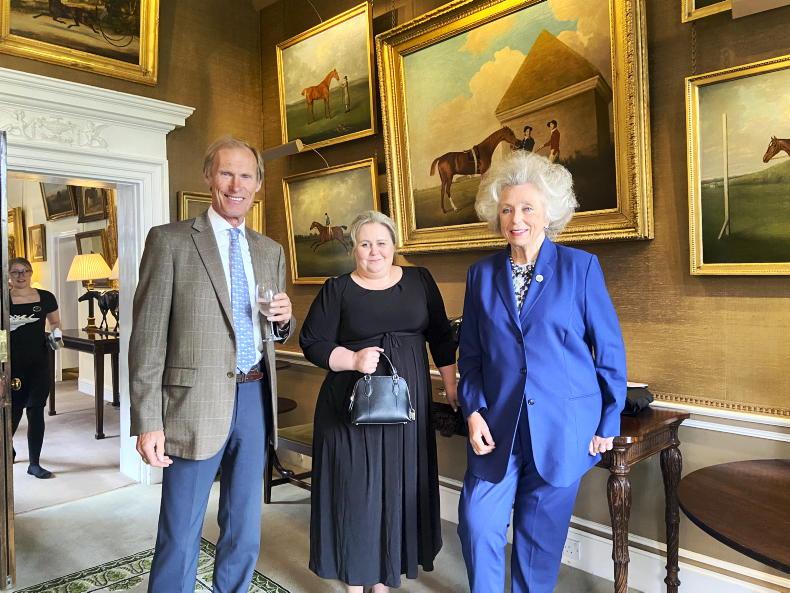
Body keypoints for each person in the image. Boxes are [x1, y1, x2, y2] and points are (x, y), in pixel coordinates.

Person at [129, 136, 294, 593]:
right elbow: (147, 339)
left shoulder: (270, 250)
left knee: (244, 526)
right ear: (208, 177)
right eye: (226, 173)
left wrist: (283, 322)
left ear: (258, 184)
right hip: (192, 404)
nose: (236, 185)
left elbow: (272, 329)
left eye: (246, 176)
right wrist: (148, 420)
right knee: (180, 530)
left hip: (254, 397)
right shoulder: (170, 241)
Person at [456, 151, 626, 593]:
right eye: (507, 209)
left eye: (528, 208)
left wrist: (609, 420)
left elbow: (608, 349)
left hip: (562, 426)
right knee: (477, 524)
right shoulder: (480, 275)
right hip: (497, 425)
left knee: (538, 547)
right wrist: (472, 411)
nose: (516, 219)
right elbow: (470, 355)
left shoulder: (580, 268)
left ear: (549, 214)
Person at [300, 211, 458, 593]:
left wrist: (451, 386)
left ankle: (385, 576)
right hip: (350, 406)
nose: (374, 252)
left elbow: (441, 336)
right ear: (353, 248)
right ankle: (357, 579)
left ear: (394, 245)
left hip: (407, 405)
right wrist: (352, 360)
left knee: (399, 487)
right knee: (356, 491)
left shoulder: (419, 281)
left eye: (381, 243)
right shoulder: (337, 289)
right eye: (365, 244)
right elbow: (313, 343)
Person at [8, 257, 61, 479]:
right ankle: (7, 449)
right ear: (9, 275)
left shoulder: (46, 297)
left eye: (25, 271)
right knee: (12, 411)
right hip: (13, 365)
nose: (21, 276)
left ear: (31, 273)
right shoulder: (3, 299)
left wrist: (57, 337)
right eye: (15, 272)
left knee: (36, 410)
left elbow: (55, 323)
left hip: (39, 362)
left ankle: (34, 463)